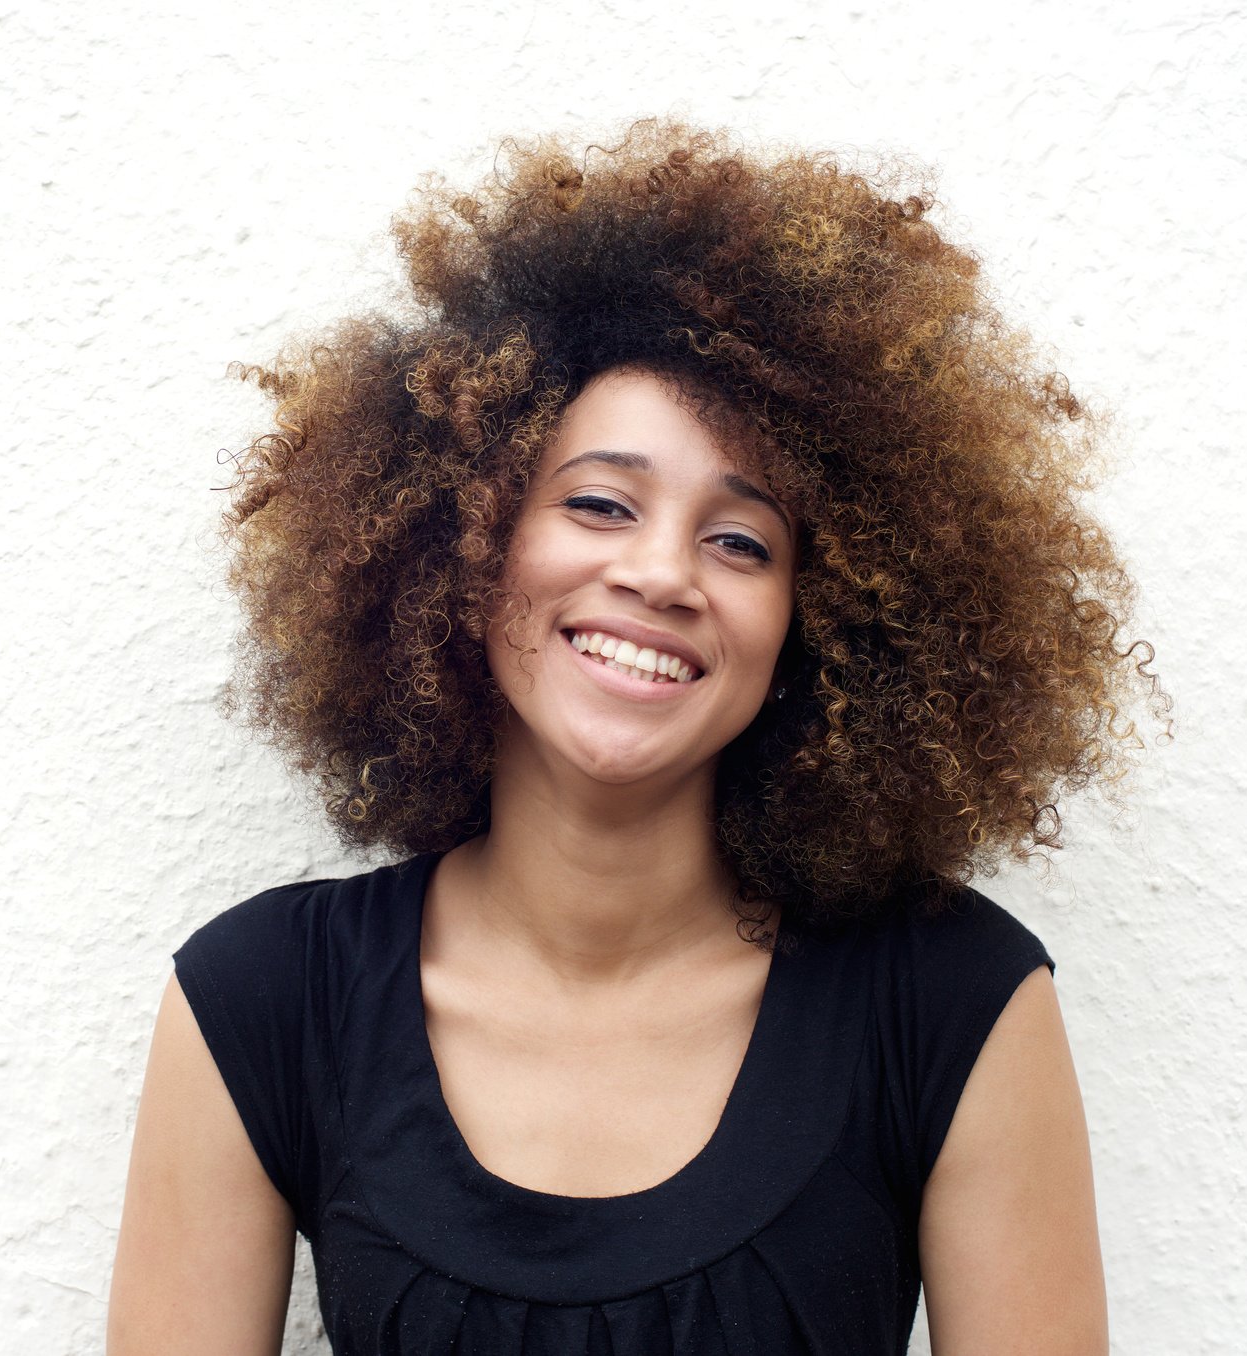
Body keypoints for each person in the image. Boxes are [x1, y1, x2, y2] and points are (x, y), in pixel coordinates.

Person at [107, 119, 1162, 1355]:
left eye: (740, 541)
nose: (661, 573)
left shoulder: (946, 1001)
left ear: (814, 628)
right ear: (461, 539)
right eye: (599, 504)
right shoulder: (268, 999)